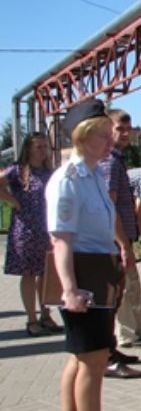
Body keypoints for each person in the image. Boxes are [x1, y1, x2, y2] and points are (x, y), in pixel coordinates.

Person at [45, 99, 129, 411]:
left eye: (110, 135)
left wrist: (121, 247)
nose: (109, 142)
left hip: (99, 270)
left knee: (80, 357)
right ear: (81, 137)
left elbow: (104, 223)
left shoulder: (95, 174)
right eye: (102, 136)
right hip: (82, 275)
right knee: (94, 360)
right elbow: (61, 239)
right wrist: (69, 290)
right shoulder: (68, 179)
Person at [97, 110, 141, 380]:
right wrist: (122, 244)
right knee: (116, 297)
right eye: (120, 129)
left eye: (128, 129)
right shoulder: (110, 162)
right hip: (114, 241)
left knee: (119, 296)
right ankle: (108, 355)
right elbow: (109, 203)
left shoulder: (117, 159)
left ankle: (112, 350)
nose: (125, 134)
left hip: (119, 238)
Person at [0, 132, 61, 337]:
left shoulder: (48, 172)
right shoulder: (17, 171)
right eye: (39, 147)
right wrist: (13, 201)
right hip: (25, 229)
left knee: (46, 273)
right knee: (29, 274)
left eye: (45, 147)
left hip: (46, 228)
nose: (43, 151)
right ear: (28, 148)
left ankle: (46, 314)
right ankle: (31, 319)